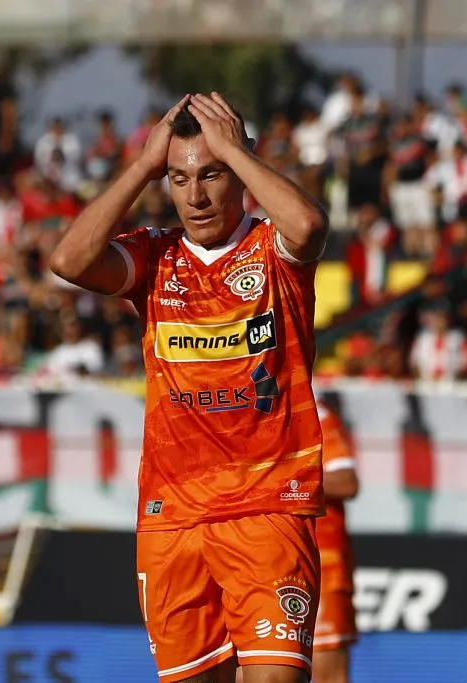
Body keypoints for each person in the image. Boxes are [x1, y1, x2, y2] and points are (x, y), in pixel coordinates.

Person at [50, 93, 329, 683]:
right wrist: (143, 165)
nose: (195, 196)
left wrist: (233, 147)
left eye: (212, 174)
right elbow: (69, 260)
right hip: (171, 518)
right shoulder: (156, 256)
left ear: (241, 170)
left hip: (266, 508)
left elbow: (308, 225)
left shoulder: (272, 250)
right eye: (179, 178)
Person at [312, 401, 360, 683]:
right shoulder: (232, 411)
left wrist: (280, 478)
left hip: (321, 566)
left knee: (328, 675)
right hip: (254, 561)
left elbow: (346, 482)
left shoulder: (315, 413)